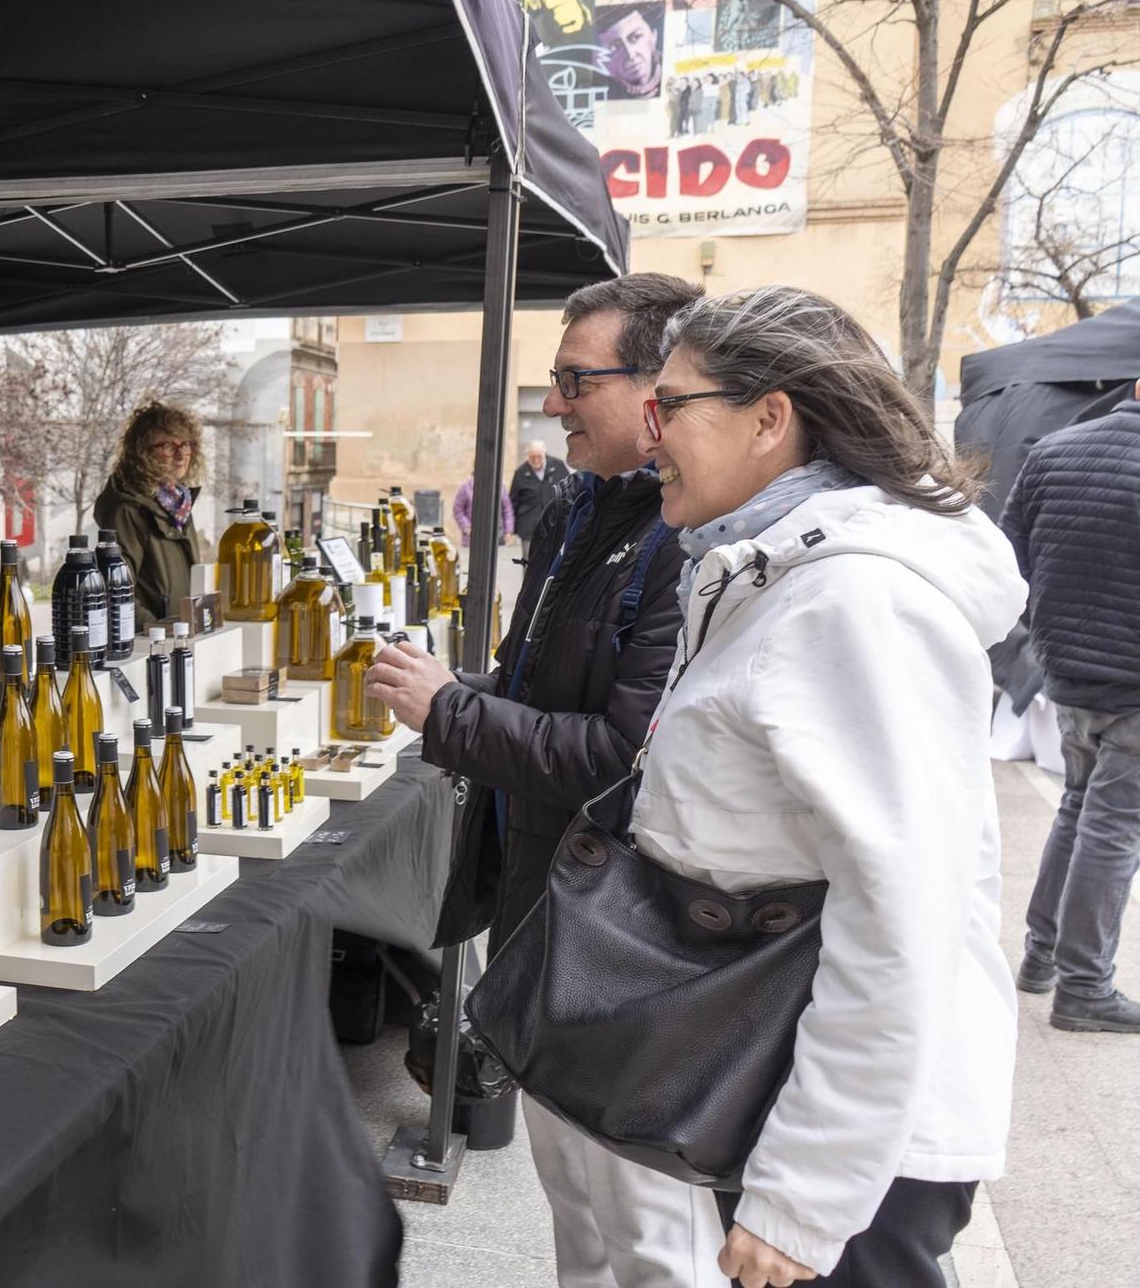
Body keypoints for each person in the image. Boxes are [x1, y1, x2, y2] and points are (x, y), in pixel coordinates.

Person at [625, 287, 1023, 1286]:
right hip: (779, 1075)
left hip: (851, 1144)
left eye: (668, 406)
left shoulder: (854, 599)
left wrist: (803, 1197)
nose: (648, 434)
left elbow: (898, 916)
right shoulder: (768, 569)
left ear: (769, 419)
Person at [366, 273, 717, 1287]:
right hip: (543, 911)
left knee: (649, 1234)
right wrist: (446, 691)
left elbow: (618, 753)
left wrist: (452, 711)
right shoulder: (578, 512)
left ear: (659, 386)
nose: (554, 401)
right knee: (574, 1208)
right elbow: (535, 680)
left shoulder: (687, 541)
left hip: (625, 937)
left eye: (575, 379)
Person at [1003, 377, 1140, 1033]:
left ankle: (1041, 957)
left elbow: (1008, 563)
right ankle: (1085, 985)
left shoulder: (1054, 450)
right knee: (1112, 828)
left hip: (1066, 672)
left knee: (1079, 808)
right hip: (1131, 684)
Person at [92, 399, 205, 627]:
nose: (181, 455)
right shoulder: (127, 509)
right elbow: (115, 591)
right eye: (168, 446)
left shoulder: (180, 505)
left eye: (186, 444)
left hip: (179, 640)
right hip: (149, 646)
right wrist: (154, 629)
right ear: (142, 452)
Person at [597, 3, 664, 100]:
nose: (630, 54)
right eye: (615, 47)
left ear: (653, 36)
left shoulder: (670, 74)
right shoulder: (603, 93)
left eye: (636, 37)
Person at [509, 439, 569, 539]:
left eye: (539, 457)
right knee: (529, 554)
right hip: (528, 527)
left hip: (554, 525)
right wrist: (511, 529)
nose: (536, 460)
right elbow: (513, 501)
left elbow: (569, 491)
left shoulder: (558, 466)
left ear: (544, 454)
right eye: (532, 457)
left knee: (552, 554)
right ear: (527, 456)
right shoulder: (520, 473)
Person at [452, 472, 514, 546]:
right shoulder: (466, 487)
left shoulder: (500, 487)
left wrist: (508, 531)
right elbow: (458, 510)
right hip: (473, 537)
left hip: (497, 537)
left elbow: (507, 511)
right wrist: (467, 527)